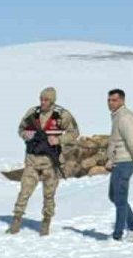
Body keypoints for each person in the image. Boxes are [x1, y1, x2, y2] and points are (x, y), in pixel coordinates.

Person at [9, 88, 80, 236]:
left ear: (53, 101)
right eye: (41, 99)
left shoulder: (62, 115)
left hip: (50, 162)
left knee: (49, 194)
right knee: (24, 191)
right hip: (32, 160)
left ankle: (46, 221)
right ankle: (16, 221)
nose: (43, 102)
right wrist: (25, 135)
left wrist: (58, 140)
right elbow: (20, 129)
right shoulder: (32, 113)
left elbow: (74, 133)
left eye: (46, 100)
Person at [106, 89, 133, 240]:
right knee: (113, 196)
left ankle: (118, 235)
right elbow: (116, 141)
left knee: (120, 197)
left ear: (122, 100)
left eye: (114, 100)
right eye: (109, 100)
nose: (110, 103)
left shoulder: (125, 117)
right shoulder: (117, 116)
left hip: (126, 161)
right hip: (119, 162)